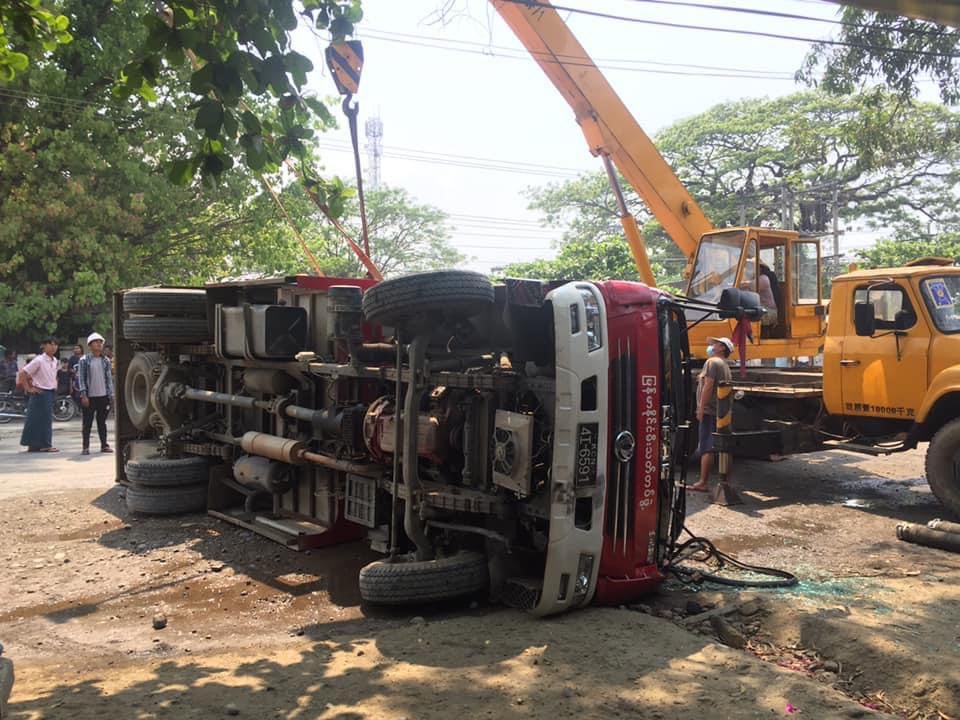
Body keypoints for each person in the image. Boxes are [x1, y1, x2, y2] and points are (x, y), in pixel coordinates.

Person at [689, 336, 733, 492]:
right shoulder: (724, 365)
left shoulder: (712, 362)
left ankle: (702, 482)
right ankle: (725, 482)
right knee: (720, 446)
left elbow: (708, 386)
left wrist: (701, 408)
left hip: (710, 411)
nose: (712, 346)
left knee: (706, 447)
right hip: (721, 411)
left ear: (722, 348)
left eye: (715, 344)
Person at [17, 337, 61, 453]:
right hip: (40, 391)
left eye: (55, 344)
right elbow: (23, 373)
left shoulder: (55, 360)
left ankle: (34, 445)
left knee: (39, 419)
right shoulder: (39, 360)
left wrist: (55, 385)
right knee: (41, 419)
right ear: (44, 346)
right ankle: (45, 444)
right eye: (50, 344)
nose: (53, 347)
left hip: (50, 391)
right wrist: (28, 388)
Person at [77, 332, 114, 455]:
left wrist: (111, 395)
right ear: (90, 345)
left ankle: (104, 445)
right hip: (89, 396)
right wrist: (84, 395)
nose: (99, 344)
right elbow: (81, 378)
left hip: (103, 396)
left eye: (100, 342)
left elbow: (109, 379)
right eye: (96, 342)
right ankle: (85, 447)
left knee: (102, 422)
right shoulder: (84, 360)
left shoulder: (106, 360)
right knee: (87, 423)